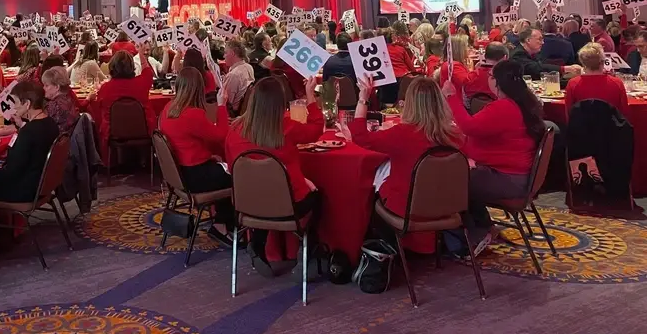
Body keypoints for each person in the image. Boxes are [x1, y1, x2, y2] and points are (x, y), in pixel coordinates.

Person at [225, 75, 323, 274]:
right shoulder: (286, 128)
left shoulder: (234, 130)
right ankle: (308, 251)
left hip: (247, 204)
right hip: (286, 205)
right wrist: (310, 95)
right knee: (319, 198)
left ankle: (258, 243)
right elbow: (315, 129)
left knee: (263, 196)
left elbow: (234, 166)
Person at [443, 60, 545, 232]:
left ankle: (470, 235)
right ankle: (481, 226)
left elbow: (469, 127)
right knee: (459, 174)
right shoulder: (525, 101)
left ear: (497, 82)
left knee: (448, 181)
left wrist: (450, 97)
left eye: (490, 76)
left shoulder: (505, 107)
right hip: (520, 176)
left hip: (508, 179)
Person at [347, 75, 462, 218]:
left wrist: (363, 99)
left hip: (405, 206)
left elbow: (360, 138)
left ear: (409, 103)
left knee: (374, 181)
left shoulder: (401, 134)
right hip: (447, 204)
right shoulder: (455, 134)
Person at [158, 68, 233, 245]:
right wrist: (222, 106)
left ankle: (222, 222)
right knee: (238, 175)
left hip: (179, 176)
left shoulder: (168, 108)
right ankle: (222, 225)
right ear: (199, 88)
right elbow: (221, 135)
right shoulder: (193, 114)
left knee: (223, 168)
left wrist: (209, 156)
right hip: (196, 176)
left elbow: (190, 143)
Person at [0, 81, 60, 202]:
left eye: (15, 103)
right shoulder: (50, 123)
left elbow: (10, 173)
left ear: (27, 104)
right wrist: (22, 125)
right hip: (42, 184)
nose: (13, 107)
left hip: (24, 189)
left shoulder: (28, 132)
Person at [92, 49, 154, 151]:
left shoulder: (105, 88)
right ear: (132, 67)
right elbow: (147, 71)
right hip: (143, 130)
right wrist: (141, 54)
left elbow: (100, 110)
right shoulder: (142, 83)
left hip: (113, 132)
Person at [563, 43, 629, 115]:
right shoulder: (617, 83)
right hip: (610, 125)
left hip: (581, 125)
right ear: (603, 61)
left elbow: (569, 113)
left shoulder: (573, 84)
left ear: (582, 63)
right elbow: (624, 113)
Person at [510, 27, 580, 80]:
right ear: (528, 40)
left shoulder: (536, 53)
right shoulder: (518, 54)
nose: (543, 42)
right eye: (539, 39)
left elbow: (544, 67)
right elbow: (536, 69)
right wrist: (564, 69)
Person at [41, 65, 80, 135]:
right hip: (68, 142)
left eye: (46, 85)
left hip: (57, 143)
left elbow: (43, 132)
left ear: (57, 87)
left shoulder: (54, 105)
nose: (43, 88)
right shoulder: (68, 99)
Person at [221, 39, 254, 113]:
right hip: (245, 111)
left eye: (225, 53)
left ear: (232, 53)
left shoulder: (234, 75)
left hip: (232, 112)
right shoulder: (249, 67)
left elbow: (225, 102)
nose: (223, 56)